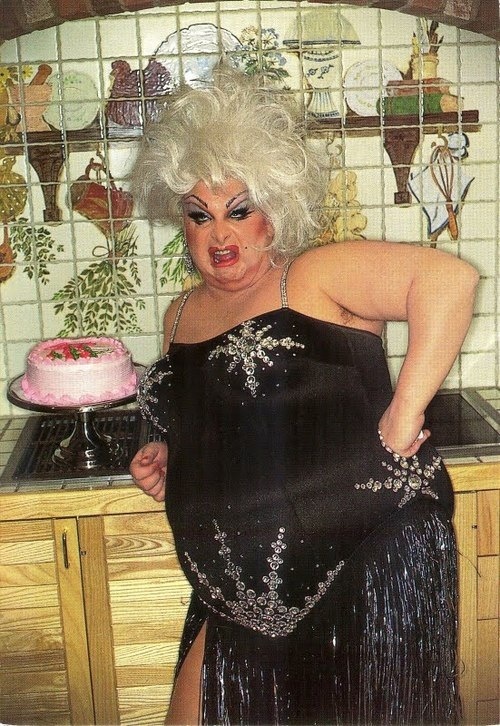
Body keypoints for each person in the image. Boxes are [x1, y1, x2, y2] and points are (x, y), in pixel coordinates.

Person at [129, 66, 479, 725]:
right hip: (235, 592)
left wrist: (405, 413)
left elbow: (447, 281)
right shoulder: (181, 314)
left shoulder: (313, 278)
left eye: (239, 211)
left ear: (275, 213)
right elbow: (194, 406)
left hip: (363, 561)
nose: (219, 234)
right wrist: (161, 446)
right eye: (199, 216)